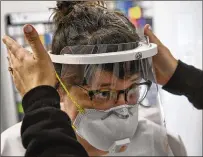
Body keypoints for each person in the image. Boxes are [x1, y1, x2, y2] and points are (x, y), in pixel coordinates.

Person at [1, 1, 201, 156]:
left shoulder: (162, 144)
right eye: (103, 93)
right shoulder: (11, 149)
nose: (123, 108)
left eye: (132, 90)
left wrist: (184, 78)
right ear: (60, 88)